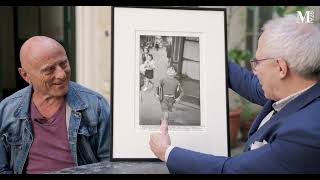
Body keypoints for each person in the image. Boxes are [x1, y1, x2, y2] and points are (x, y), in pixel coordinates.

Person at [149, 15, 320, 173]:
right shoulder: (296, 90)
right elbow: (249, 84)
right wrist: (208, 46)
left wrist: (167, 152)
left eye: (257, 62)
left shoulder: (306, 132)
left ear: (281, 68)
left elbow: (233, 170)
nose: (255, 70)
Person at [0, 36, 111, 174]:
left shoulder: (97, 106)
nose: (61, 74)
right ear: (25, 75)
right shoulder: (6, 111)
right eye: (49, 69)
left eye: (64, 64)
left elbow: (109, 165)